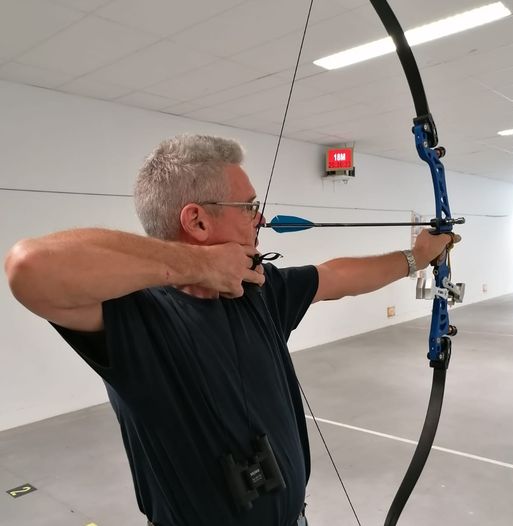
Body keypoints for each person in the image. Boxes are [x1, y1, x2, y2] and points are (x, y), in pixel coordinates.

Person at [4, 134, 454, 526]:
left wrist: (416, 256)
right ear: (197, 220)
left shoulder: (255, 289)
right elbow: (30, 267)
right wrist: (198, 264)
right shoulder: (135, 317)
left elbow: (336, 276)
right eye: (249, 207)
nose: (259, 218)